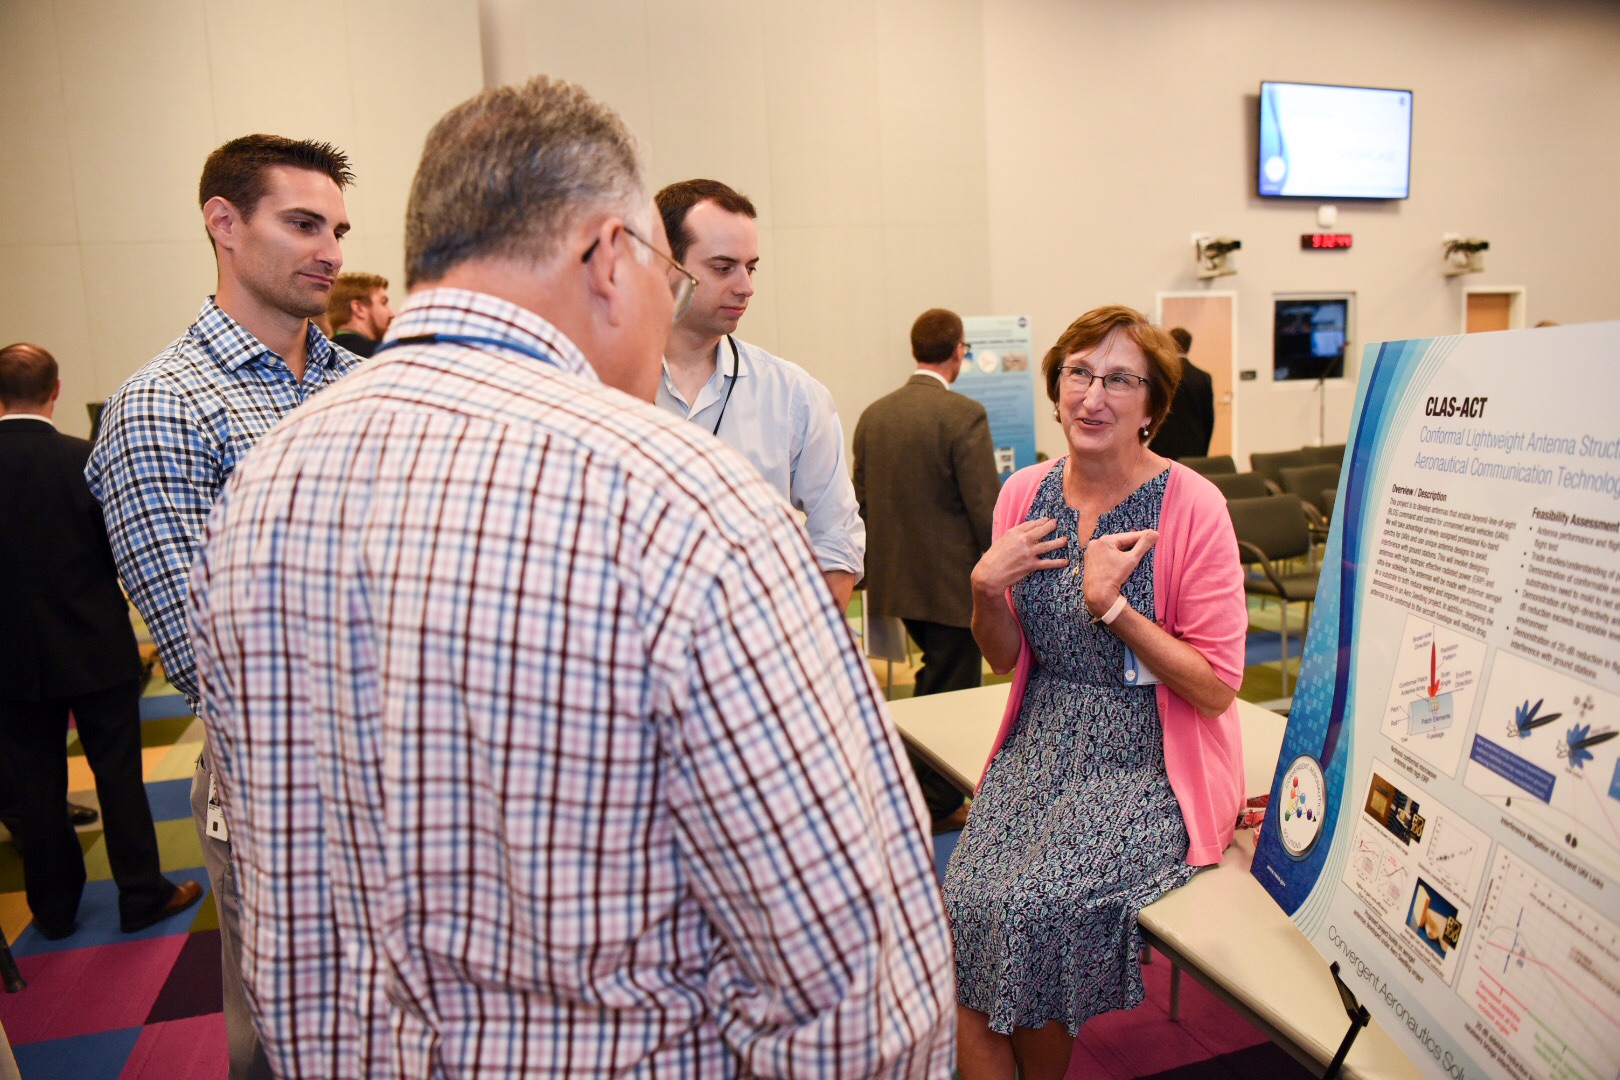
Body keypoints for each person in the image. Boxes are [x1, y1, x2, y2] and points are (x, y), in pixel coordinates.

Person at [187, 76, 954, 1078]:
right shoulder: (681, 503)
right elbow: (854, 984)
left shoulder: (267, 486)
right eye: (663, 266)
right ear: (607, 256)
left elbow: (268, 874)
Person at [87, 134, 361, 1080]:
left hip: (408, 772)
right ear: (222, 223)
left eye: (336, 227)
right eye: (301, 223)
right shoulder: (162, 406)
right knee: (287, 1042)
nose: (329, 247)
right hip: (278, 786)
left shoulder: (362, 384)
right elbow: (211, 658)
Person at [942, 305, 1246, 1079]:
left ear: (1153, 408)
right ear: (1055, 387)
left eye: (1119, 379)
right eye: (1079, 372)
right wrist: (983, 591)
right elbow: (1010, 655)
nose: (1093, 396)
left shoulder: (1192, 506)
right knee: (963, 908)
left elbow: (1215, 690)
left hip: (1149, 754)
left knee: (1037, 906)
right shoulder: (1023, 496)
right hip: (1042, 739)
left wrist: (1113, 610)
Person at [0, 343, 202, 941]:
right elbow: (125, 551)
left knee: (33, 788)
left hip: (8, 659)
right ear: (56, 390)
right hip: (94, 646)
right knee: (117, 777)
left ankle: (54, 910)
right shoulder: (84, 459)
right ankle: (142, 894)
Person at [655, 179, 864, 612]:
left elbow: (837, 535)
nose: (745, 286)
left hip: (756, 658)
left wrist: (807, 643)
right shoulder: (601, 386)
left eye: (751, 267)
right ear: (664, 265)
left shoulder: (794, 396)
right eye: (722, 267)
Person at [853, 308, 1000, 831]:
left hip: (895, 581)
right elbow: (986, 510)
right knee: (948, 693)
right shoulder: (964, 415)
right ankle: (934, 804)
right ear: (958, 350)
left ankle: (908, 789)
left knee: (931, 683)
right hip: (950, 587)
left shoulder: (875, 414)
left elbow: (861, 502)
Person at [1148, 326, 1214, 461]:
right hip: (1195, 444)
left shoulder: (1162, 374)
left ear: (1170, 344)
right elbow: (1209, 417)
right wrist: (1205, 446)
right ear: (1189, 347)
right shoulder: (1203, 377)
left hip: (1164, 442)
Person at [326, 271, 395, 356]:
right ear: (359, 308)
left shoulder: (322, 355)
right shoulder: (382, 355)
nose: (392, 313)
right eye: (383, 302)